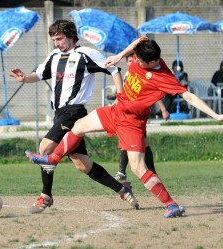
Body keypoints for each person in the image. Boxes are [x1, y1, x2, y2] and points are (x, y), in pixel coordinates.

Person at [27, 36, 223, 218]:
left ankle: (171, 205)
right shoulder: (142, 50)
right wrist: (119, 56)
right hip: (117, 110)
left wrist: (215, 115)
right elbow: (139, 40)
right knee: (79, 126)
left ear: (153, 62)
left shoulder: (164, 77)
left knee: (137, 167)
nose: (136, 62)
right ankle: (51, 160)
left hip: (132, 122)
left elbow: (188, 96)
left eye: (141, 62)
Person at [10, 19, 139, 213]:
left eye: (60, 38)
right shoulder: (54, 56)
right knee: (82, 164)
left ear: (71, 36)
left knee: (45, 148)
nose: (56, 43)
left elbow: (113, 68)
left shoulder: (86, 54)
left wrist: (120, 98)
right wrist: (24, 78)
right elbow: (38, 74)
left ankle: (46, 196)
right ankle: (122, 188)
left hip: (74, 112)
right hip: (60, 113)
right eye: (54, 39)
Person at [114, 54, 170, 182]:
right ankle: (123, 171)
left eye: (131, 60)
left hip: (138, 114)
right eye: (128, 61)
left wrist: (163, 109)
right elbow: (123, 94)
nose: (130, 63)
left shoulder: (141, 74)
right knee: (129, 141)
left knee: (142, 143)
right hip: (126, 113)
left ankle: (131, 171)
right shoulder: (128, 74)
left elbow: (154, 92)